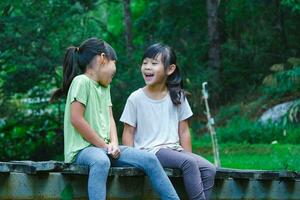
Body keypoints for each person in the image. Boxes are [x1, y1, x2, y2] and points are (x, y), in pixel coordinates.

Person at [50, 38, 179, 200]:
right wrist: (103, 145)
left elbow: (110, 118)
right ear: (103, 59)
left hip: (104, 148)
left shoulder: (105, 87)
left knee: (149, 159)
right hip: (82, 151)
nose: (115, 70)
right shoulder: (81, 82)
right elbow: (76, 119)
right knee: (101, 161)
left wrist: (114, 144)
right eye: (114, 63)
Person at [120, 43, 216, 200]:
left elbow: (184, 130)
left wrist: (187, 155)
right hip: (149, 151)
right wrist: (132, 160)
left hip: (174, 150)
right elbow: (128, 131)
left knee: (209, 169)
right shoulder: (135, 98)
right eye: (145, 63)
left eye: (154, 63)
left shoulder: (177, 96)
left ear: (170, 69)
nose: (147, 67)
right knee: (189, 164)